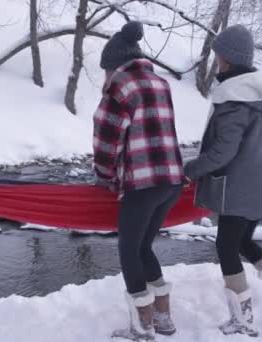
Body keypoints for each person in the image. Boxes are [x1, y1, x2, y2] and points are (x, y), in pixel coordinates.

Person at [183, 25, 262, 337]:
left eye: (218, 56)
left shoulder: (235, 98)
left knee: (226, 245)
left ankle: (243, 317)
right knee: (242, 241)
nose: (216, 62)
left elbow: (224, 152)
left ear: (228, 58)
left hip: (241, 187)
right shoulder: (259, 92)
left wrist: (190, 169)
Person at [93, 21, 185, 341]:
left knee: (128, 250)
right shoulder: (161, 83)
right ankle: (163, 318)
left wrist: (104, 178)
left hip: (143, 185)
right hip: (172, 181)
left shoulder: (120, 86)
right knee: (144, 245)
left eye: (106, 69)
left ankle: (142, 327)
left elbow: (107, 140)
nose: (105, 76)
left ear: (114, 65)